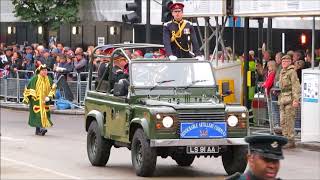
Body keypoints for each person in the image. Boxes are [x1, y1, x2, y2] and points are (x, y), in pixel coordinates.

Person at [22, 64, 57, 136]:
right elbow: (29, 88)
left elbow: (52, 89)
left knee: (44, 115)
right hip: (36, 100)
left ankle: (38, 130)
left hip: (45, 100)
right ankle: (41, 128)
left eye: (46, 70)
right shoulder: (35, 78)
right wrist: (26, 101)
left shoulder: (49, 79)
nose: (45, 72)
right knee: (38, 115)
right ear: (39, 71)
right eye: (43, 70)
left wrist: (49, 97)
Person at [278, 55, 301, 148]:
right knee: (283, 120)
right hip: (283, 99)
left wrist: (296, 100)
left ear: (290, 62)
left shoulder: (292, 72)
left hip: (290, 99)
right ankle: (285, 138)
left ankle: (290, 140)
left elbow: (296, 86)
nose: (284, 63)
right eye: (283, 61)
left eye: (286, 61)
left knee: (289, 120)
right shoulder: (282, 72)